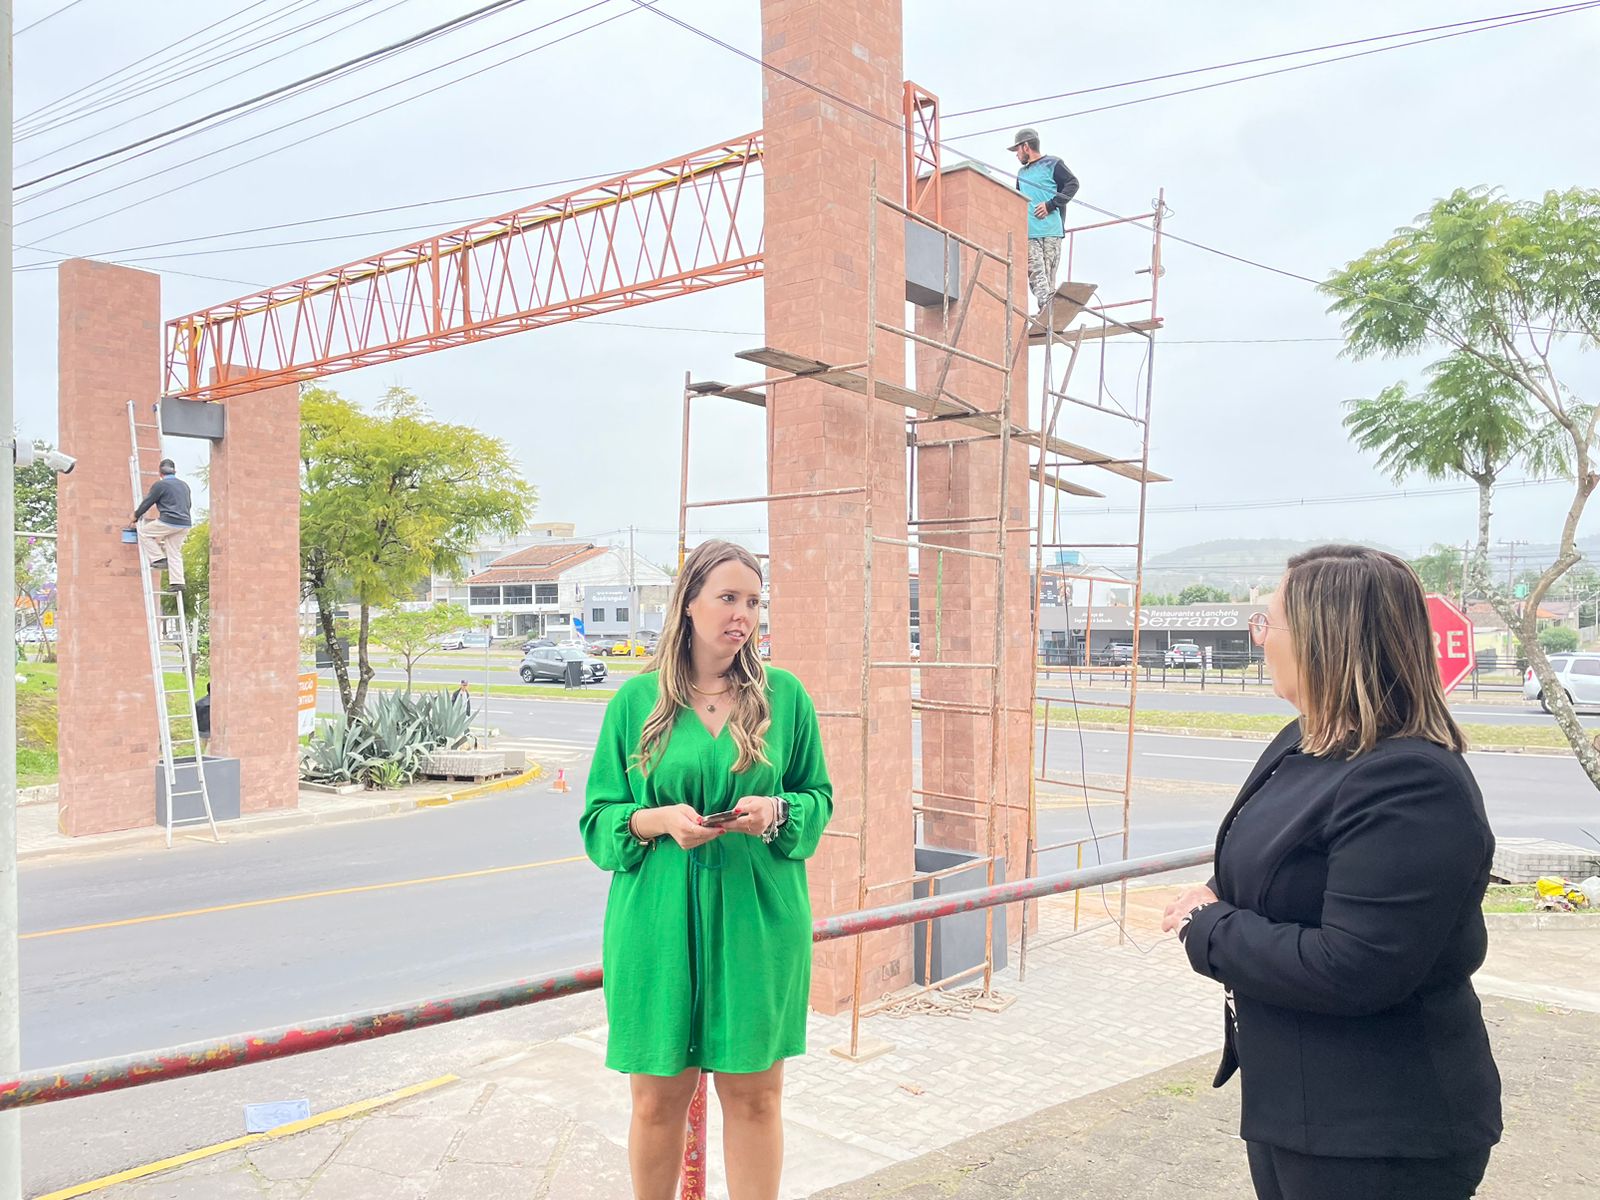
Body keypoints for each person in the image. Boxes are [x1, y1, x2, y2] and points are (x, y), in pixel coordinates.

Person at [1161, 545, 1501, 1200]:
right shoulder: (1304, 739)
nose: (1260, 640)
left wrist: (1209, 928)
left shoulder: (1411, 781)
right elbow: (1268, 862)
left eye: (1270, 623)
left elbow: (1355, 966)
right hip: (1293, 1105)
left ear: (1324, 639)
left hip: (1381, 1131)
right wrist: (1220, 890)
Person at [580, 539, 832, 1200]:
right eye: (727, 597)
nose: (742, 614)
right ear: (689, 604)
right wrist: (657, 820)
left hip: (757, 920)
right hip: (657, 924)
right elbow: (597, 820)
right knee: (655, 1102)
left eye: (752, 601)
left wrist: (777, 811)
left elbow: (819, 798)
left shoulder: (786, 698)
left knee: (755, 1099)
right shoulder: (634, 704)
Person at [1009, 126, 1080, 313]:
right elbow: (1018, 200)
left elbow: (1073, 184)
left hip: (1051, 231)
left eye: (1017, 150)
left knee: (1048, 276)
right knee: (1035, 272)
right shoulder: (1021, 174)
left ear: (1025, 147)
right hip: (1030, 233)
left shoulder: (1053, 164)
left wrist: (1051, 204)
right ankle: (1046, 307)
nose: (1016, 155)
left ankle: (1049, 310)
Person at [131, 459, 193, 591]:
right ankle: (178, 582)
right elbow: (188, 505)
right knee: (174, 551)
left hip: (169, 521)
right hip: (185, 523)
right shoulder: (184, 485)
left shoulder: (160, 485)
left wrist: (136, 516)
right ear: (174, 471)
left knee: (144, 533)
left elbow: (148, 502)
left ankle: (158, 559)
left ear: (160, 473)